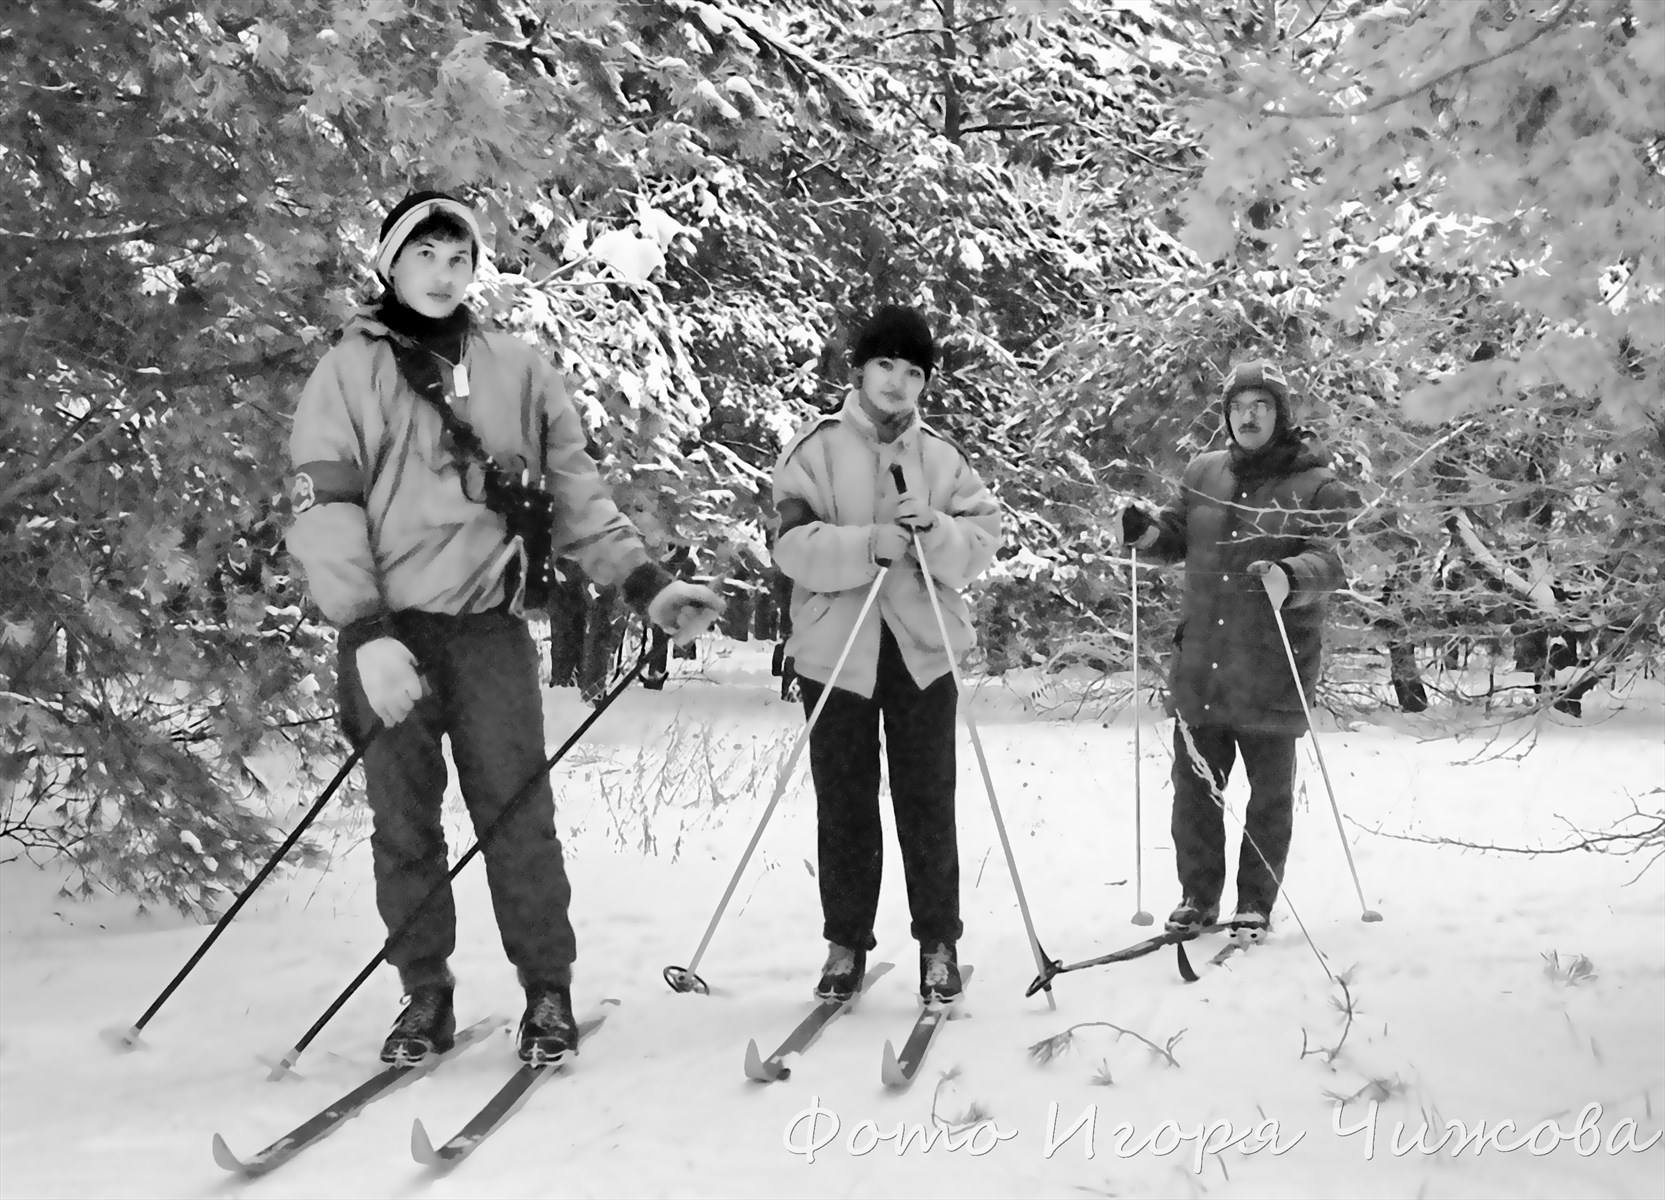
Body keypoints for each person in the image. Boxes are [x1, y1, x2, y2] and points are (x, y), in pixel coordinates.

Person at [285, 190, 722, 1067]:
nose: (443, 275)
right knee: (403, 826)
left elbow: (576, 493)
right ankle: (424, 993)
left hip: (487, 631)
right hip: (389, 636)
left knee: (520, 818)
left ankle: (546, 989)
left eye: (459, 259)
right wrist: (366, 632)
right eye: (424, 255)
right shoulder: (345, 373)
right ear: (390, 264)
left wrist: (646, 585)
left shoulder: (519, 369)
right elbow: (325, 506)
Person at [769, 305, 1002, 1006]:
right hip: (834, 652)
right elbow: (789, 546)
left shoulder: (942, 459)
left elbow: (980, 542)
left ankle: (938, 943)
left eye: (913, 372)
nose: (898, 382)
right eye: (884, 366)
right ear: (860, 370)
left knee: (927, 800)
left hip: (922, 650)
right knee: (843, 802)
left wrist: (934, 531)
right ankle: (845, 943)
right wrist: (866, 544)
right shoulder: (813, 450)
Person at [1120, 360, 1358, 945]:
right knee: (1194, 792)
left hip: (1273, 664)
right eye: (1238, 407)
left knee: (1269, 798)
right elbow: (1177, 535)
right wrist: (1146, 533)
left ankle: (1255, 902)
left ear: (1282, 415)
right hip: (1204, 661)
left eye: (1261, 407)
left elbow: (1331, 561)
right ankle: (1197, 898)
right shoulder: (1203, 473)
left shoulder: (1319, 487)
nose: (1247, 418)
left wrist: (1290, 575)